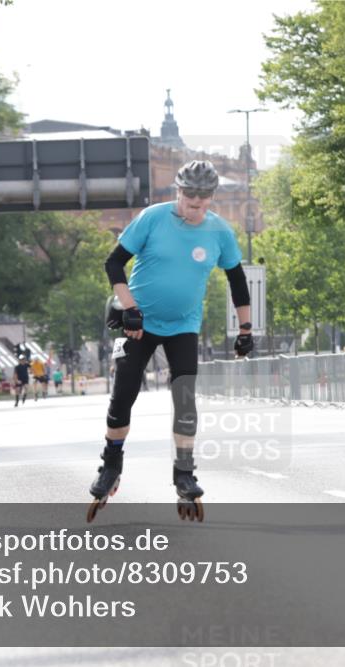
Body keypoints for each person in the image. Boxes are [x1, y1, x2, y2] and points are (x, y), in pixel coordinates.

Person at [87, 160, 254, 522]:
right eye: (189, 199)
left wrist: (246, 329)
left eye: (202, 201)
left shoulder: (219, 231)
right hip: (138, 324)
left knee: (185, 399)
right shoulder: (153, 218)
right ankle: (111, 464)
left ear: (211, 197)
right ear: (178, 192)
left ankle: (184, 473)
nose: (195, 206)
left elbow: (237, 280)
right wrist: (129, 308)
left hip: (183, 325)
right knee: (123, 396)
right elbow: (114, 263)